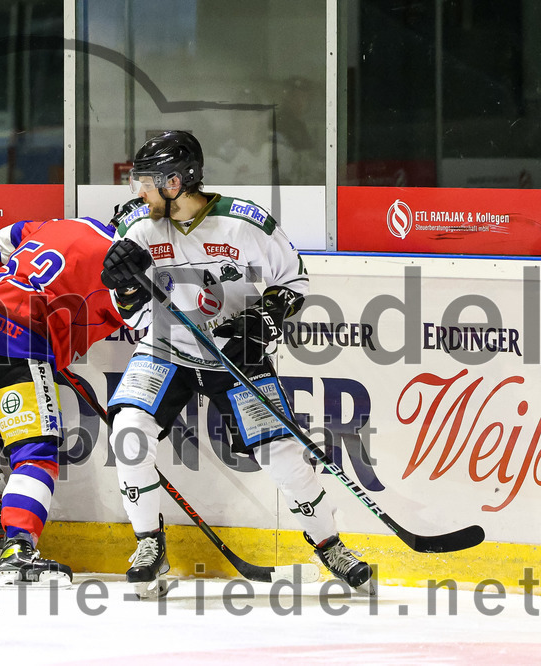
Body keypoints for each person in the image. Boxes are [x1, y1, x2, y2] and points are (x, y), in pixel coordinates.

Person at [99, 129, 374, 598]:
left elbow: (294, 279)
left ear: (177, 182)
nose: (138, 193)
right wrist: (124, 288)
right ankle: (149, 544)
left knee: (283, 457)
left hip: (234, 356)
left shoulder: (246, 223)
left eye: (147, 182)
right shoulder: (137, 227)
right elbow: (135, 314)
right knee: (127, 431)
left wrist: (263, 321)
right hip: (166, 348)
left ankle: (329, 544)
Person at [0, 214, 128, 586]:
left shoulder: (64, 223)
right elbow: (139, 318)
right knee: (37, 451)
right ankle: (18, 549)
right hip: (20, 341)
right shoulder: (125, 262)